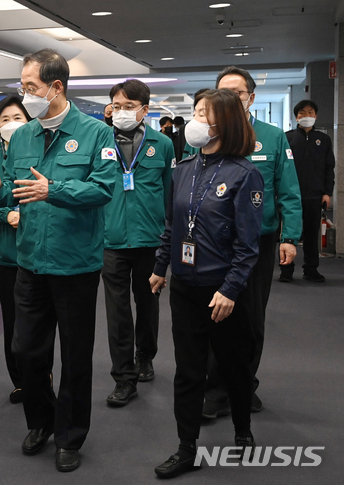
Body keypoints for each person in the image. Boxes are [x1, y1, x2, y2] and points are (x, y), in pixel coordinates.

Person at [0, 48, 117, 473]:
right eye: (22, 88)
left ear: (57, 88)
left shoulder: (96, 133)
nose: (25, 96)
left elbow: (103, 189)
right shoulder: (20, 136)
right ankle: (41, 421)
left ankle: (71, 435)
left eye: (31, 88)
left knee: (75, 357)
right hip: (30, 263)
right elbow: (16, 193)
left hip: (75, 265)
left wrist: (53, 190)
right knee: (26, 351)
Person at [150, 88, 264, 478]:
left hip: (223, 291)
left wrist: (230, 290)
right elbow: (172, 226)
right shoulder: (184, 168)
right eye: (195, 112)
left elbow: (249, 247)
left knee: (232, 365)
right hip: (184, 286)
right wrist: (160, 267)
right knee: (188, 369)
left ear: (224, 123)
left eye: (204, 114)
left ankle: (242, 429)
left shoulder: (245, 174)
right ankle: (186, 447)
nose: (195, 121)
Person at [204, 66, 302, 419]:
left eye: (238, 94)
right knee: (216, 314)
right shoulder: (205, 138)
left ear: (251, 98)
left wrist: (290, 237)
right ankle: (215, 389)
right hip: (215, 244)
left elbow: (289, 191)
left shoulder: (273, 138)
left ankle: (244, 385)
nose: (231, 100)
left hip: (259, 243)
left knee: (251, 317)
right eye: (224, 94)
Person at [101, 79, 174, 407]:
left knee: (147, 303)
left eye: (129, 107)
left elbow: (171, 193)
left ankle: (145, 356)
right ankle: (123, 376)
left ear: (145, 109)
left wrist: (171, 237)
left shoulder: (163, 144)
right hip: (111, 237)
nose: (122, 112)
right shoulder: (101, 142)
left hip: (150, 238)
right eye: (117, 106)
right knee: (116, 311)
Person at [0, 95, 33, 404]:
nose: (12, 124)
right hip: (8, 254)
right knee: (11, 321)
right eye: (5, 120)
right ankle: (19, 381)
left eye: (19, 118)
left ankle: (40, 377)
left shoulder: (41, 153)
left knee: (36, 324)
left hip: (38, 251)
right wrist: (6, 214)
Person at [280, 100, 335, 283]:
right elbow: (279, 167)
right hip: (290, 196)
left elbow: (329, 168)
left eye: (311, 112)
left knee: (312, 235)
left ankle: (311, 270)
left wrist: (327, 192)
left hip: (314, 195)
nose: (306, 116)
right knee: (288, 233)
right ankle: (286, 270)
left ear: (316, 115)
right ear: (296, 117)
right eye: (302, 113)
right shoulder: (287, 138)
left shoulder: (324, 140)